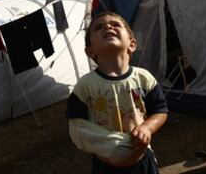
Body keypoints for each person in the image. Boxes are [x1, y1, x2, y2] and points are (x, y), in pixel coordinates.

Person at [66, 11, 168, 174]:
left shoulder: (144, 78)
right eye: (99, 27)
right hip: (105, 165)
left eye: (115, 24)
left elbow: (160, 111)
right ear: (90, 51)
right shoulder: (85, 86)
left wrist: (147, 128)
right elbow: (77, 125)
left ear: (132, 44)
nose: (108, 26)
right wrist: (113, 145)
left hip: (142, 159)